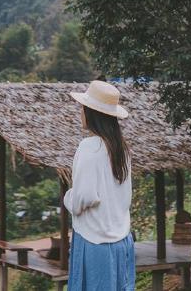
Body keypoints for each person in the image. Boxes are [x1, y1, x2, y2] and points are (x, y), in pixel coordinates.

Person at [64, 80, 134, 291]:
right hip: (121, 241)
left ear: (92, 113)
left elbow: (84, 197)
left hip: (95, 242)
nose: (81, 113)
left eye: (83, 108)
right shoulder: (122, 149)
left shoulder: (89, 147)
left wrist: (68, 197)